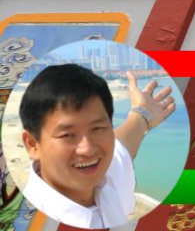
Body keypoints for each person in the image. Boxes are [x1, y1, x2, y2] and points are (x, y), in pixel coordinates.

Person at [18, 63, 176, 229]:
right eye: (67, 135)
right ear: (32, 144)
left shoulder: (104, 179)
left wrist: (143, 113)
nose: (87, 149)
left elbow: (122, 147)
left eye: (97, 128)